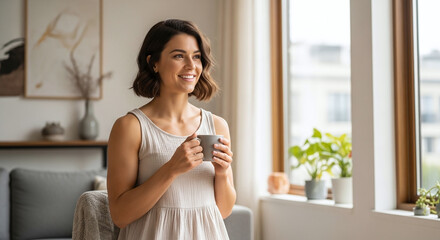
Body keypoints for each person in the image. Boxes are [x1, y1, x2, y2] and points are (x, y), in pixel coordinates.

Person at [107, 19, 236, 240]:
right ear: (153, 62)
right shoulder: (130, 127)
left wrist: (222, 173)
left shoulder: (217, 125)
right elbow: (120, 215)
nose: (191, 66)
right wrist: (171, 169)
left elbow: (222, 212)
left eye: (196, 57)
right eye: (178, 56)